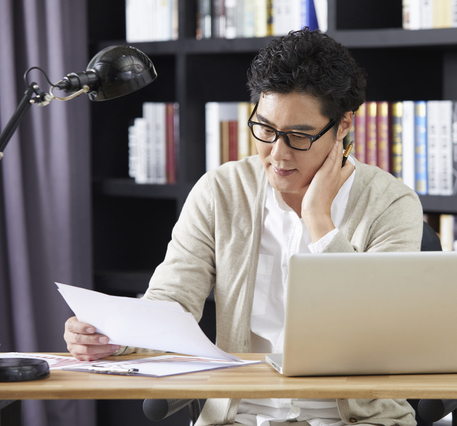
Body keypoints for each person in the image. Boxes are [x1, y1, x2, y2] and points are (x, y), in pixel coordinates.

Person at [64, 29, 424, 426]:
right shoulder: (221, 191)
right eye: (265, 130)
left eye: (299, 136)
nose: (278, 154)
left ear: (342, 126)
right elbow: (172, 301)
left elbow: (377, 329)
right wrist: (112, 338)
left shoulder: (391, 203)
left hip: (358, 420)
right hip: (238, 417)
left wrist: (319, 218)